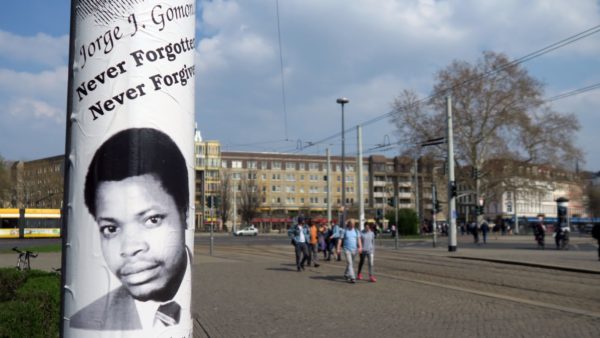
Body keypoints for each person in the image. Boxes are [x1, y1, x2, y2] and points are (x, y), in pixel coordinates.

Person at [70, 128, 191, 332]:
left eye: (152, 220)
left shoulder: (215, 294)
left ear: (185, 213)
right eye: (111, 228)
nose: (130, 247)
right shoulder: (84, 322)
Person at [336, 219, 362, 283]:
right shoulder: (344, 231)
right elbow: (340, 240)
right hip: (346, 249)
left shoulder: (356, 231)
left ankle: (346, 274)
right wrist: (338, 248)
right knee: (350, 263)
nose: (353, 225)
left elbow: (359, 239)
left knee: (350, 263)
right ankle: (352, 277)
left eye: (354, 224)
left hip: (354, 250)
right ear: (349, 224)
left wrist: (360, 247)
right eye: (351, 224)